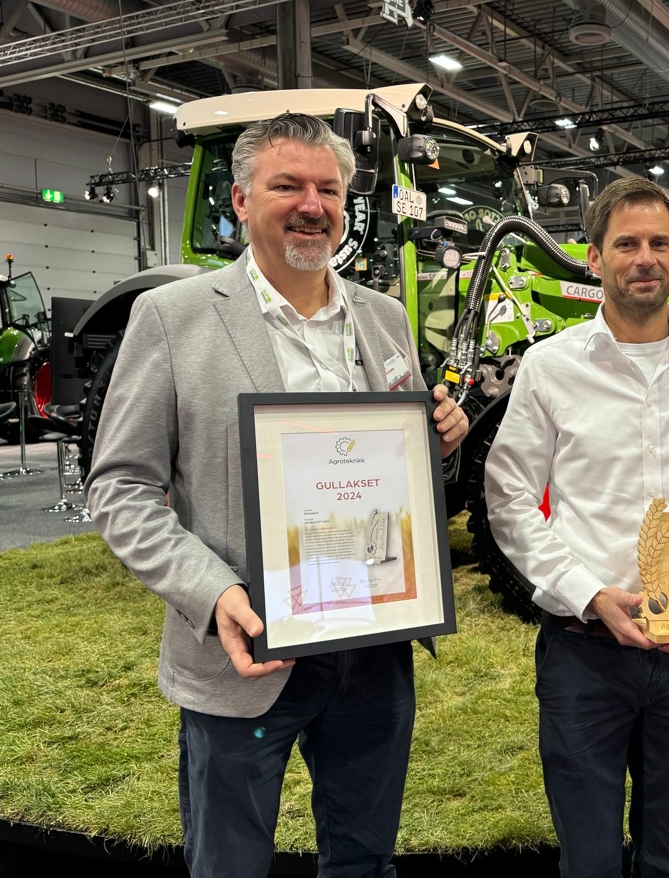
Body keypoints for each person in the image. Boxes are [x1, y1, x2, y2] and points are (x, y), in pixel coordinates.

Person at [86, 113, 468, 878]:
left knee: (363, 860)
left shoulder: (384, 318)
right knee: (229, 863)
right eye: (287, 185)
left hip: (374, 645)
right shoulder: (172, 318)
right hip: (246, 651)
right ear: (240, 198)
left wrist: (441, 441)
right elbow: (120, 488)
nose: (311, 204)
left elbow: (403, 470)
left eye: (328, 188)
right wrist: (214, 592)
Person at [484, 177, 669, 877]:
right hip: (583, 656)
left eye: (659, 243)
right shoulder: (551, 367)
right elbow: (508, 495)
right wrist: (586, 591)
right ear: (594, 258)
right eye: (626, 243)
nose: (643, 257)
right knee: (587, 861)